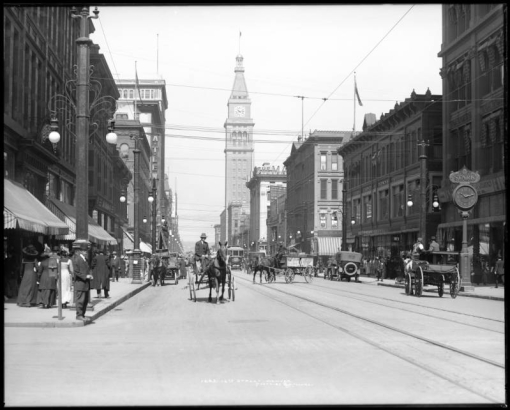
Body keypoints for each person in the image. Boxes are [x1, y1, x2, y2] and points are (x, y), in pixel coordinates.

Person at [73, 244, 93, 322]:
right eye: (84, 251)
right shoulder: (77, 259)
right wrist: (85, 276)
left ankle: (83, 315)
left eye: (86, 251)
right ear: (81, 251)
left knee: (85, 301)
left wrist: (90, 275)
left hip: (85, 284)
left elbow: (88, 269)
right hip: (80, 283)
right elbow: (76, 272)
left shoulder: (86, 260)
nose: (85, 252)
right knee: (80, 300)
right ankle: (79, 315)